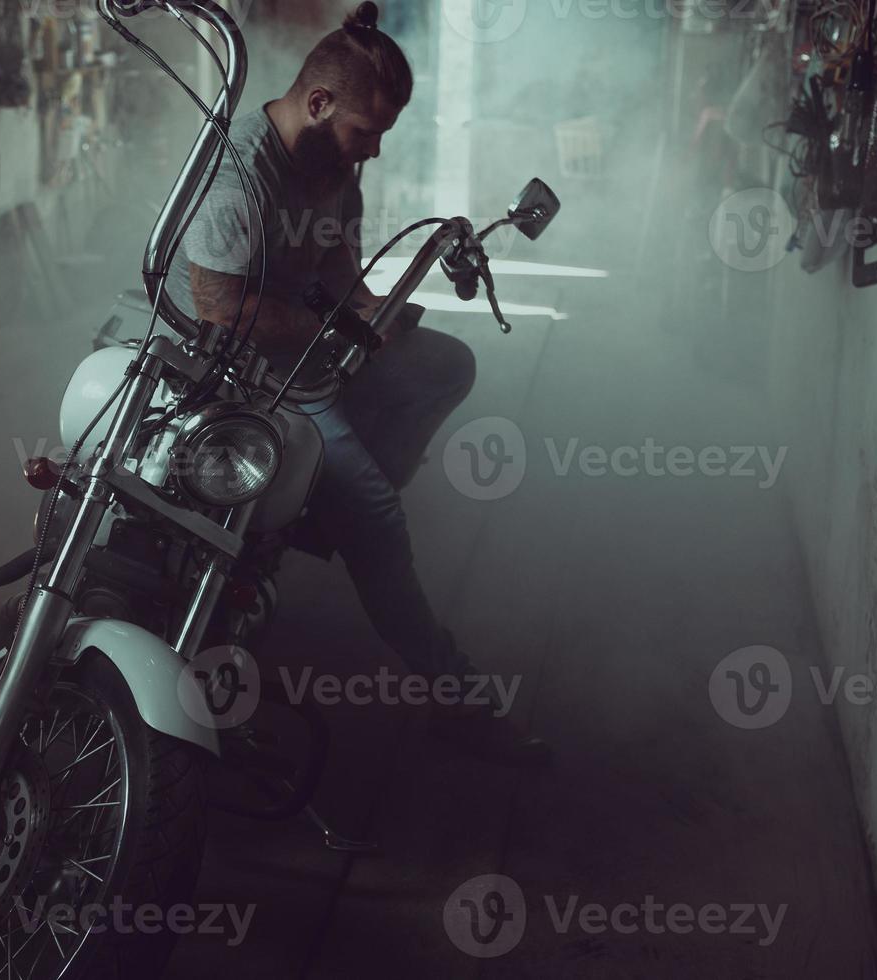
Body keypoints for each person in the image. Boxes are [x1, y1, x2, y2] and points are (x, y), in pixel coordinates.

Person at [164, 2, 546, 767]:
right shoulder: (238, 169)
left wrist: (380, 311)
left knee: (446, 363)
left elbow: (341, 280)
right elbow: (221, 313)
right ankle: (453, 692)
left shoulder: (332, 171)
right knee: (374, 510)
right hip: (232, 373)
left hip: (298, 360)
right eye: (363, 132)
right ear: (317, 103)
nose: (370, 152)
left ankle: (314, 512)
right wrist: (342, 329)